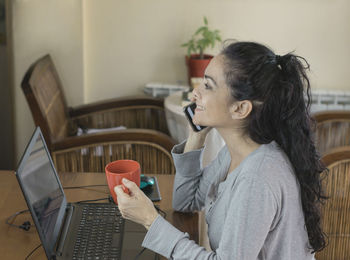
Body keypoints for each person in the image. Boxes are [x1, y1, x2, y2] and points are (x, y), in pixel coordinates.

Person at [114, 41, 327, 259]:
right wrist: (196, 136)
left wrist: (150, 219)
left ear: (240, 108)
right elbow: (185, 202)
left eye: (208, 85)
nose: (195, 93)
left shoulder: (257, 178)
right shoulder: (235, 153)